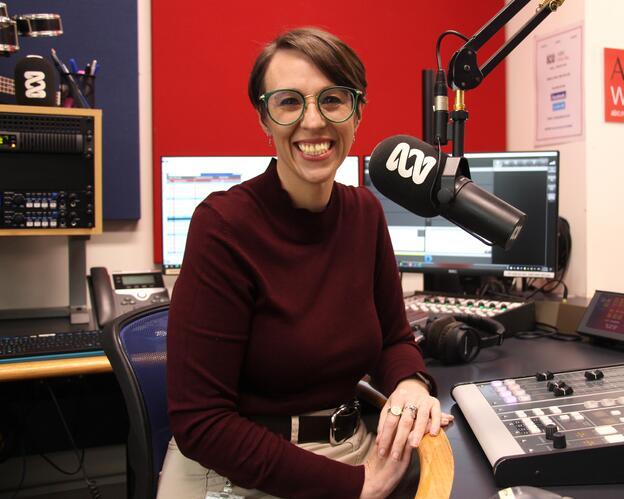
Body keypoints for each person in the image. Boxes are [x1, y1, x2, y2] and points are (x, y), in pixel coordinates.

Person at [159, 27, 452, 499]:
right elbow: (201, 422)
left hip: (354, 446)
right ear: (264, 118)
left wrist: (412, 383)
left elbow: (393, 338)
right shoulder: (223, 225)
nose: (313, 122)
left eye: (332, 100)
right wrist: (356, 486)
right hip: (240, 472)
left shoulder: (365, 213)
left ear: (357, 113)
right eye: (289, 102)